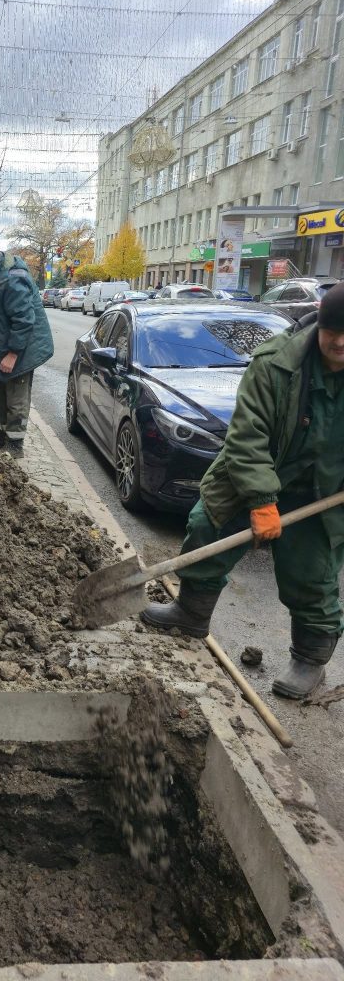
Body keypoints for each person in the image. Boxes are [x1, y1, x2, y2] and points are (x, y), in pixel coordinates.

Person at [142, 284, 344, 700]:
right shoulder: (276, 364)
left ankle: (310, 658)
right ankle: (191, 614)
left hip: (323, 487)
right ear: (319, 325)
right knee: (206, 527)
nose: (340, 342)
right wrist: (261, 500)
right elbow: (247, 436)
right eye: (332, 331)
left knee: (313, 571)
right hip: (254, 472)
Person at [0, 240, 54, 459]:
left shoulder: (13, 279)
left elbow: (24, 320)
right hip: (2, 349)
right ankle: (2, 437)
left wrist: (13, 354)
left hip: (21, 351)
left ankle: (15, 446)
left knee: (16, 397)